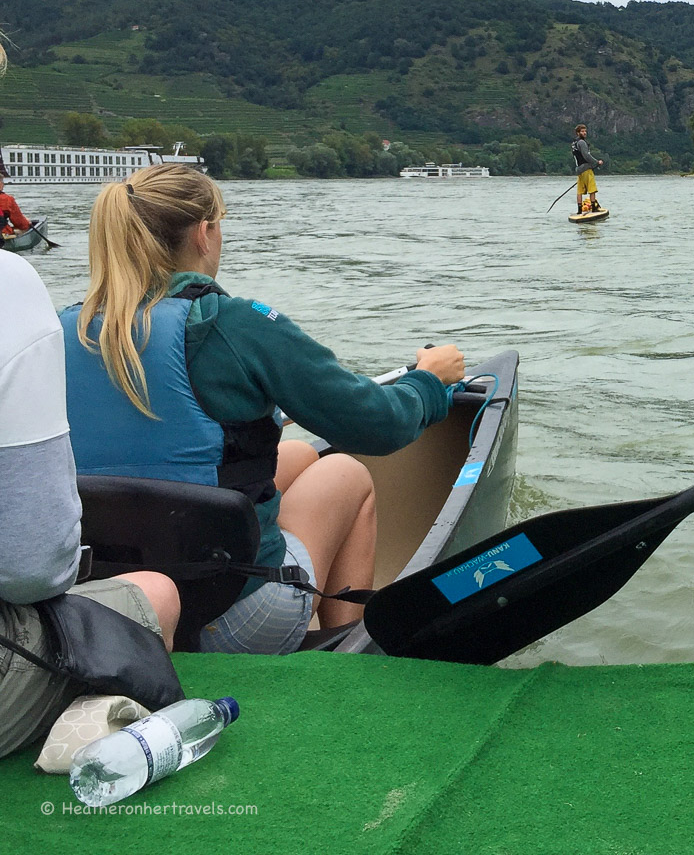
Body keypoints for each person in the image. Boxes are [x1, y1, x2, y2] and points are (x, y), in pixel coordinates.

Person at [63, 163, 465, 655]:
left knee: (296, 457)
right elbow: (377, 425)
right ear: (205, 232)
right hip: (224, 617)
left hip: (106, 605)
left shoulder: (63, 330)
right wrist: (429, 382)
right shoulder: (231, 323)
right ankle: (349, 652)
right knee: (344, 471)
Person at [1, 31, 179, 758]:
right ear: (205, 233)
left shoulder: (73, 321)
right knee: (156, 593)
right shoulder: (13, 294)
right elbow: (32, 563)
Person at [572, 123, 604, 215]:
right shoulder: (582, 142)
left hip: (579, 170)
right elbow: (586, 156)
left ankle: (579, 210)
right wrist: (597, 162)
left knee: (580, 191)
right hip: (586, 169)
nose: (585, 133)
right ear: (578, 133)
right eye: (582, 131)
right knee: (592, 189)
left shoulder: (574, 143)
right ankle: (594, 209)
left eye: (585, 131)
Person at [0, 171, 32, 240]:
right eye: (3, 183)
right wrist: (27, 222)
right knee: (22, 230)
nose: (3, 185)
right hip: (2, 234)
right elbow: (20, 223)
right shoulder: (7, 199)